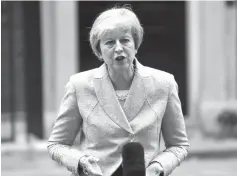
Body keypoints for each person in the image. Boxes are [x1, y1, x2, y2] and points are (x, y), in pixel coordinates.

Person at [47, 5, 189, 176]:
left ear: (136, 45)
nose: (119, 48)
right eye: (109, 42)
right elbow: (57, 144)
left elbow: (179, 145)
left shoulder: (164, 84)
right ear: (99, 51)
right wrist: (81, 162)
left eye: (125, 40)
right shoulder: (79, 85)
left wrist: (158, 166)